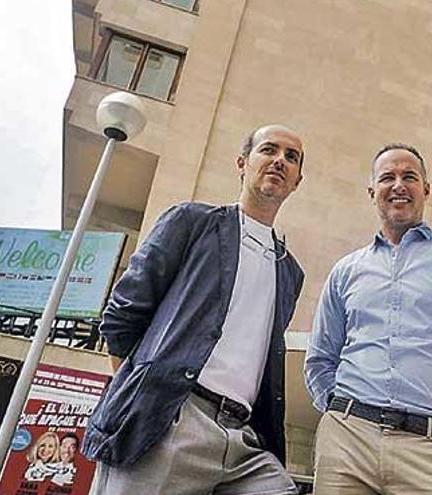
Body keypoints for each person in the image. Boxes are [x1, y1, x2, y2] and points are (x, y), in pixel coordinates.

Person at [82, 124, 307, 495]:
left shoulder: (289, 271)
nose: (280, 160)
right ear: (242, 162)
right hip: (171, 418)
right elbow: (123, 314)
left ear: (297, 181)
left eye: (291, 157)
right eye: (269, 150)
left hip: (244, 441)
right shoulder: (192, 222)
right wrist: (143, 397)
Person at [305, 143, 432, 494]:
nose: (398, 185)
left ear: (425, 189)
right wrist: (341, 414)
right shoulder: (346, 271)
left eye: (409, 176)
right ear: (372, 193)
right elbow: (321, 359)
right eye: (387, 177)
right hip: (347, 445)